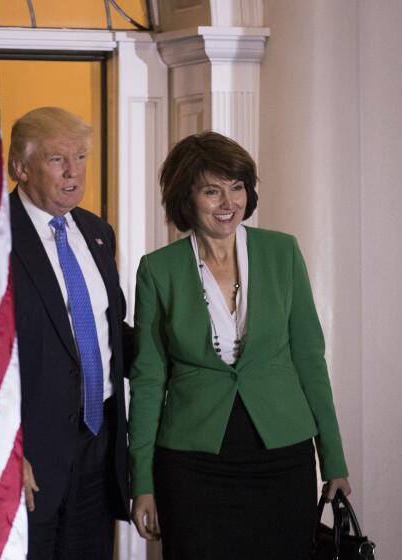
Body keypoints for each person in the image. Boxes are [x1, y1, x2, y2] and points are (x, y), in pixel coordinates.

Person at [128, 131, 351, 559]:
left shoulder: (281, 253)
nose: (228, 203)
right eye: (212, 191)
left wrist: (334, 460)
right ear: (186, 197)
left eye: (237, 188)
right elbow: (149, 380)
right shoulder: (158, 270)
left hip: (281, 457)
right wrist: (143, 483)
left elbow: (309, 360)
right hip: (193, 465)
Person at [8, 107, 130, 559]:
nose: (74, 173)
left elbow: (109, 332)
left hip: (98, 448)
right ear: (20, 168)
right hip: (29, 458)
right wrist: (7, 450)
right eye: (58, 160)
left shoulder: (97, 232)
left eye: (80, 158)